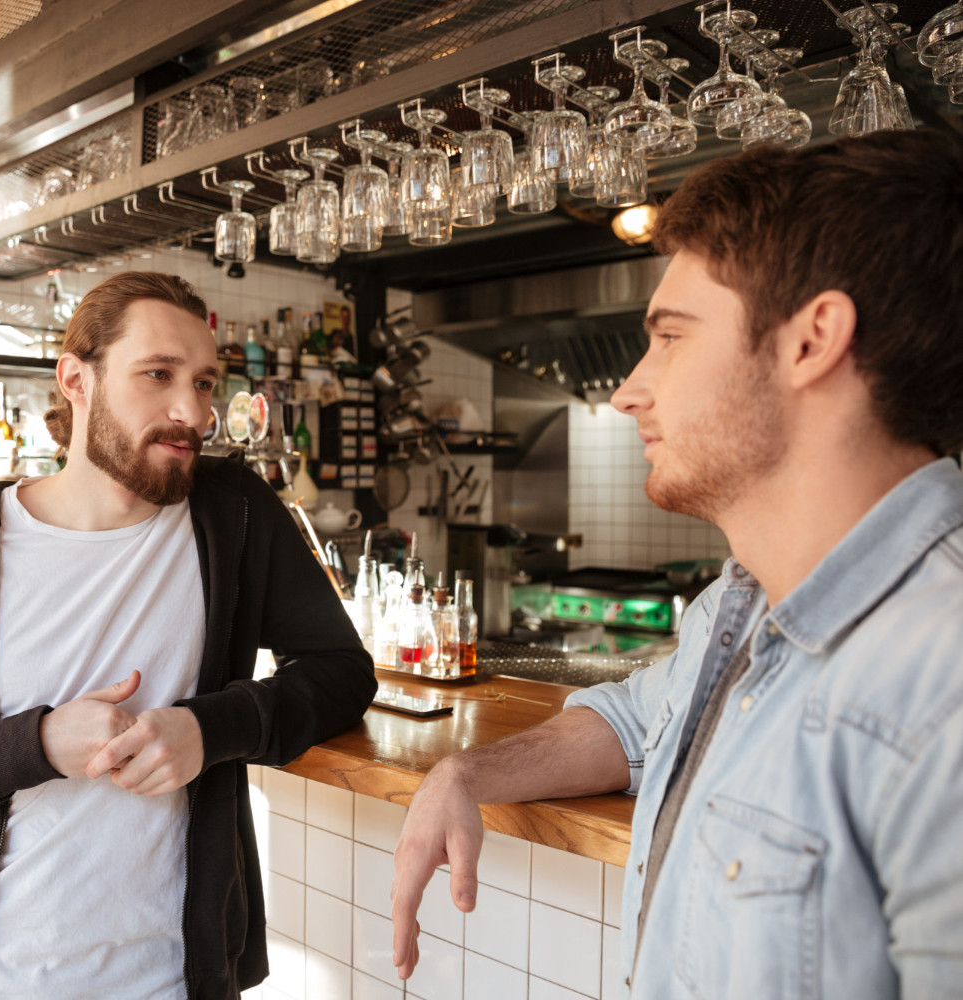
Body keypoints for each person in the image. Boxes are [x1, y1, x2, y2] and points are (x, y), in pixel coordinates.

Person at [390, 129, 963, 999]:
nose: (629, 388)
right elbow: (628, 722)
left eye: (671, 337)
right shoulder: (738, 608)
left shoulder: (941, 675)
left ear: (812, 342)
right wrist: (465, 770)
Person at [0, 271, 376, 1000]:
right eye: (157, 375)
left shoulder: (235, 517)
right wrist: (35, 745)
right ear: (77, 380)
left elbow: (341, 672)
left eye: (204, 382)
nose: (190, 411)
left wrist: (207, 729)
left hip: (174, 977)